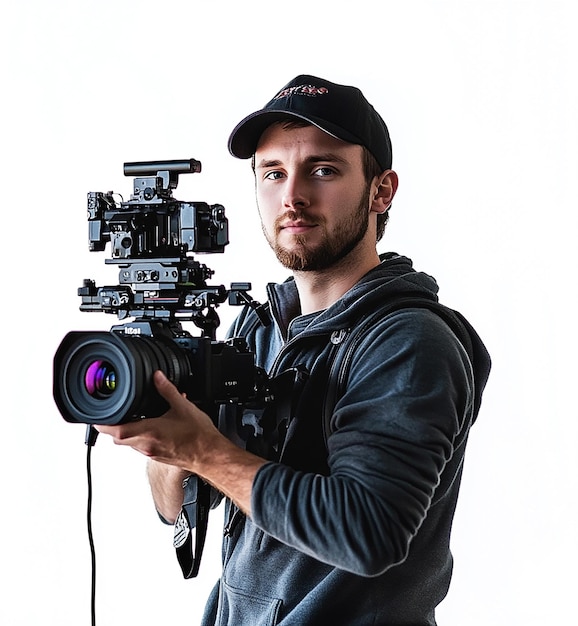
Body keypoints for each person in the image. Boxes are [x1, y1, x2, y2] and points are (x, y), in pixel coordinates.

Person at [95, 74, 492, 625]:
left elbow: (368, 531)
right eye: (273, 173)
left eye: (322, 170)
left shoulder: (407, 341)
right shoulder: (259, 329)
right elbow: (181, 510)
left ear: (382, 190)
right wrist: (162, 435)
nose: (293, 196)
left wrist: (203, 450)